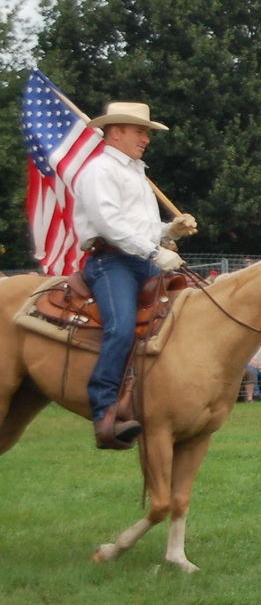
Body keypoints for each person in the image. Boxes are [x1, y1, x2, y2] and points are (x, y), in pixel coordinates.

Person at [66, 101, 197, 449]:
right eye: (140, 131)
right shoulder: (99, 171)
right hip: (112, 264)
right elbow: (110, 225)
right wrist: (156, 252)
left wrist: (170, 230)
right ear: (116, 131)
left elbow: (141, 227)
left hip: (142, 260)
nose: (146, 139)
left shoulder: (136, 172)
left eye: (146, 133)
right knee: (121, 327)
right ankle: (105, 410)